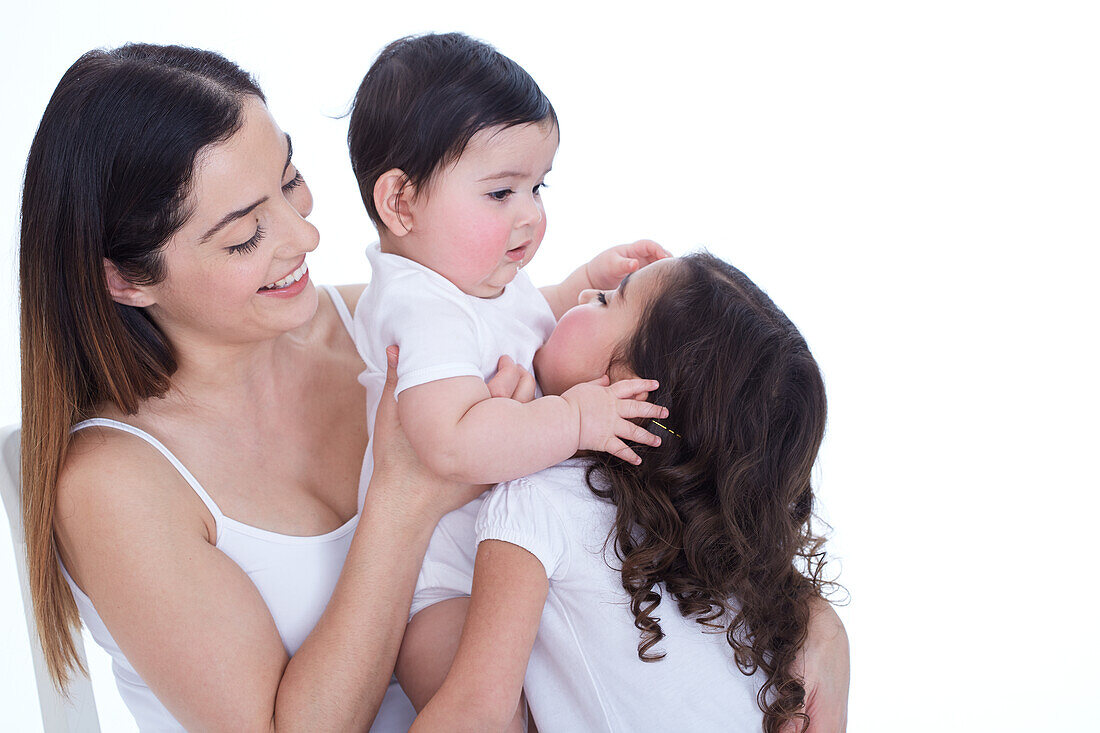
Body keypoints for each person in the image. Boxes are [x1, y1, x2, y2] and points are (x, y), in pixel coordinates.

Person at [17, 42, 537, 731]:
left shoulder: (383, 321)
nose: (308, 235)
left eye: (290, 181)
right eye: (244, 236)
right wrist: (404, 501)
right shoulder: (116, 485)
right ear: (129, 278)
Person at [345, 33, 669, 716]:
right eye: (500, 192)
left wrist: (584, 283)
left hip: (514, 567)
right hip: (441, 592)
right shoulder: (420, 307)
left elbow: (524, 325)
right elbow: (452, 440)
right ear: (400, 203)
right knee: (484, 698)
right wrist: (575, 418)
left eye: (537, 186)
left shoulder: (477, 276)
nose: (530, 214)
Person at [411, 253, 850, 732]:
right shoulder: (726, 559)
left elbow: (477, 713)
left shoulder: (534, 502)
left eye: (603, 300)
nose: (581, 295)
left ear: (633, 389)